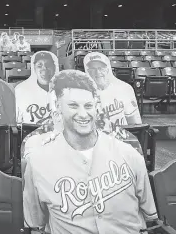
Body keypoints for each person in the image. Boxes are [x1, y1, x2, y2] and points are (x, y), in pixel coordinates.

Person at [23, 70, 158, 234]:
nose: (83, 114)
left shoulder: (129, 154)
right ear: (58, 107)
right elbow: (35, 223)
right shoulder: (37, 162)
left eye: (88, 106)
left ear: (96, 107)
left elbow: (150, 217)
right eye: (73, 105)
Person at [84, 52, 142, 133]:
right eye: (93, 69)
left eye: (101, 68)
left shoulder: (123, 89)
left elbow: (133, 122)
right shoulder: (83, 96)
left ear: (107, 70)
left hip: (122, 138)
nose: (97, 72)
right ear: (88, 72)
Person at [15, 51, 59, 125]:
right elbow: (17, 124)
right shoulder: (20, 90)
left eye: (48, 65)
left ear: (54, 68)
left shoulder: (66, 91)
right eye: (39, 65)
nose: (44, 69)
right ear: (34, 69)